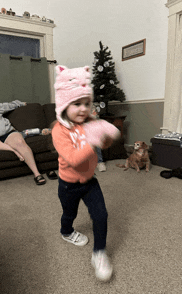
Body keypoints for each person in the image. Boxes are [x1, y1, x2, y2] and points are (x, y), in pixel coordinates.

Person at [51, 65, 120, 282]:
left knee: (101, 215)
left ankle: (99, 253)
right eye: (77, 104)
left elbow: (104, 144)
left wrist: (105, 137)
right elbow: (73, 158)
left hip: (90, 181)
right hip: (68, 184)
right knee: (69, 214)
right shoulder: (59, 131)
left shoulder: (89, 124)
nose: (83, 109)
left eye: (86, 104)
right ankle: (66, 232)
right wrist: (94, 140)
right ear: (64, 105)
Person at [0, 96, 58, 185]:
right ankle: (13, 150)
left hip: (8, 134)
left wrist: (20, 103)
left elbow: (5, 105)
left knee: (20, 143)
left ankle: (37, 174)